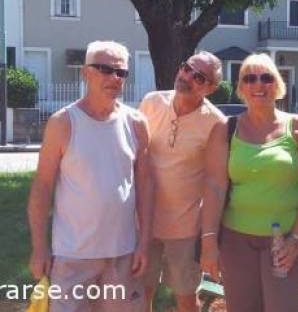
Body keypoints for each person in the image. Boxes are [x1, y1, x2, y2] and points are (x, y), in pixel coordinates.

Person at [28, 40, 152, 311]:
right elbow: (42, 187)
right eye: (105, 69)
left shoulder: (137, 124)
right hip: (73, 255)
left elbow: (145, 186)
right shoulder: (63, 123)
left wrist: (144, 243)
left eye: (121, 72)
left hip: (123, 254)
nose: (114, 78)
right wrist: (39, 248)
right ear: (86, 72)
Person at [201, 53, 298, 312]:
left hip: (284, 243)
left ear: (278, 85)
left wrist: (297, 239)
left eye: (266, 77)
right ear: (241, 88)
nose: (259, 85)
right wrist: (209, 242)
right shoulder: (225, 129)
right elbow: (214, 187)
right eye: (250, 78)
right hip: (236, 242)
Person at [139, 51, 225, 312]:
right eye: (186, 68)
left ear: (210, 88)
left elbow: (216, 182)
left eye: (199, 77)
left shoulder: (216, 123)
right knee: (140, 294)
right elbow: (134, 158)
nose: (187, 77)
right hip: (143, 223)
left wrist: (209, 237)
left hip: (185, 229)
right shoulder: (152, 103)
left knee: (186, 298)